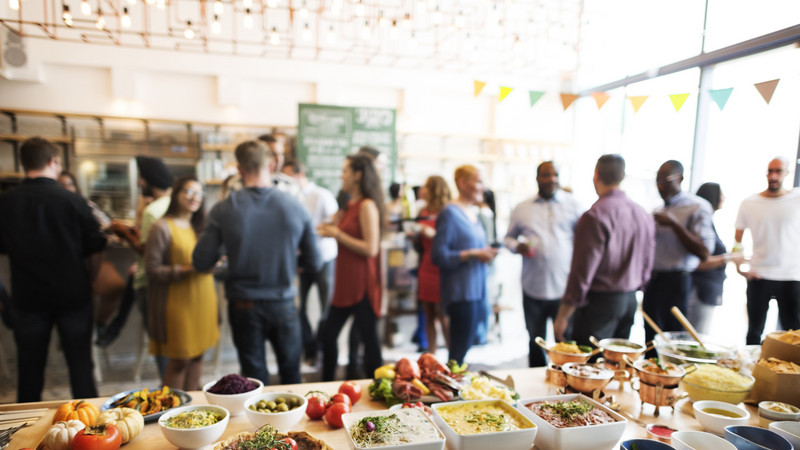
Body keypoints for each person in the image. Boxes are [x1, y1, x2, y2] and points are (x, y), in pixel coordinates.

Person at [193, 140, 321, 385]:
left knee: (253, 378)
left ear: (239, 170)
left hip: (244, 305)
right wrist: (286, 262)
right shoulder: (295, 207)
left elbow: (201, 261)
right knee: (292, 374)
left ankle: (259, 424)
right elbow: (314, 261)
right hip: (284, 302)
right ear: (272, 164)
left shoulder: (223, 209)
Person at [0, 137, 107, 402]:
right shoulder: (73, 201)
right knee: (81, 367)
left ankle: (25, 434)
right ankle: (91, 431)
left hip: (27, 297)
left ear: (24, 163)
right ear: (53, 161)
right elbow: (95, 248)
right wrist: (91, 281)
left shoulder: (5, 203)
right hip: (73, 294)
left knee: (29, 370)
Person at [554, 154, 655, 345]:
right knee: (616, 364)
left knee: (589, 366)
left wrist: (563, 315)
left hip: (600, 303)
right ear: (622, 176)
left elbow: (582, 272)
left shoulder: (595, 215)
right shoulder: (642, 214)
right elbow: (648, 261)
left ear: (596, 175)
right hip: (629, 300)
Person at [97, 157, 173, 379]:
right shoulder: (172, 206)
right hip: (172, 283)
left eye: (141, 177)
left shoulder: (153, 211)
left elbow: (148, 252)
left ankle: (170, 388)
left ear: (150, 179)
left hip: (149, 283)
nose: (139, 182)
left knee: (160, 342)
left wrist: (125, 234)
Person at [505, 161, 583, 367]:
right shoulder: (522, 208)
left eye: (555, 174)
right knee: (535, 341)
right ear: (537, 178)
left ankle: (565, 384)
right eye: (546, 175)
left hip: (564, 290)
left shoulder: (574, 205)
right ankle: (536, 386)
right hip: (533, 288)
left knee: (565, 343)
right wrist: (517, 246)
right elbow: (508, 239)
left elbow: (585, 241)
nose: (552, 179)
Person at [145, 176, 218, 390]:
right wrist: (187, 269)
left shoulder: (201, 227)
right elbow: (152, 269)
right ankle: (171, 411)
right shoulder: (161, 227)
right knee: (180, 360)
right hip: (177, 302)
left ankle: (192, 411)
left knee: (198, 356)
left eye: (199, 193)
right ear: (176, 194)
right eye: (189, 191)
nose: (195, 197)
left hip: (203, 298)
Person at [317, 154, 385, 381]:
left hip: (362, 284)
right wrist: (328, 229)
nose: (341, 175)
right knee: (328, 336)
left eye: (345, 170)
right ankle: (326, 386)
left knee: (370, 342)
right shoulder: (349, 204)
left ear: (357, 175)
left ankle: (378, 391)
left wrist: (337, 234)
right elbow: (337, 228)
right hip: (345, 283)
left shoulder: (367, 206)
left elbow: (371, 248)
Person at [642, 160, 715, 346]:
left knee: (672, 339)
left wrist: (675, 225)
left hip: (677, 281)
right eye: (657, 180)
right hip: (653, 281)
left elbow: (705, 252)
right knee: (650, 338)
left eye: (665, 180)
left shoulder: (697, 207)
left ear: (680, 178)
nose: (660, 186)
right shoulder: (658, 210)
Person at [432, 165, 498, 365]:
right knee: (458, 352)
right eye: (478, 181)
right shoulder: (450, 213)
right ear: (462, 183)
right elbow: (438, 255)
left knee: (466, 346)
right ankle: (451, 391)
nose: (483, 187)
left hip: (477, 290)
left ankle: (456, 386)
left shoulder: (473, 213)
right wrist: (473, 254)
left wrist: (485, 252)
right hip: (460, 292)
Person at [734, 157, 800, 345]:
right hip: (759, 274)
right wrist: (740, 267)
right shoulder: (750, 202)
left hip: (791, 276)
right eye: (770, 171)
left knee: (793, 334)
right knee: (754, 332)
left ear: (786, 173)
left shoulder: (797, 198)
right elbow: (737, 240)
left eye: (778, 171)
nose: (773, 175)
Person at [283, 159, 339, 363]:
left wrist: (310, 230)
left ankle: (320, 347)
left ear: (299, 175)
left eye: (287, 177)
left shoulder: (322, 195)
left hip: (324, 258)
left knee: (327, 308)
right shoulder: (290, 197)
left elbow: (335, 225)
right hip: (301, 260)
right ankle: (310, 346)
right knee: (299, 307)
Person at [687, 183, 744, 334]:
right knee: (695, 337)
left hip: (706, 290)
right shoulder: (701, 225)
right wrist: (728, 258)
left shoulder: (708, 223)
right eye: (721, 194)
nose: (724, 198)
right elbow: (697, 263)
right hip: (700, 290)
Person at [414, 175, 452, 354]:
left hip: (441, 267)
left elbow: (451, 240)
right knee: (428, 313)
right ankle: (432, 353)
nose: (422, 189)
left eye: (426, 186)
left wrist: (432, 234)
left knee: (444, 314)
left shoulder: (448, 211)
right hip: (425, 265)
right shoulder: (422, 211)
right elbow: (418, 242)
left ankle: (453, 355)